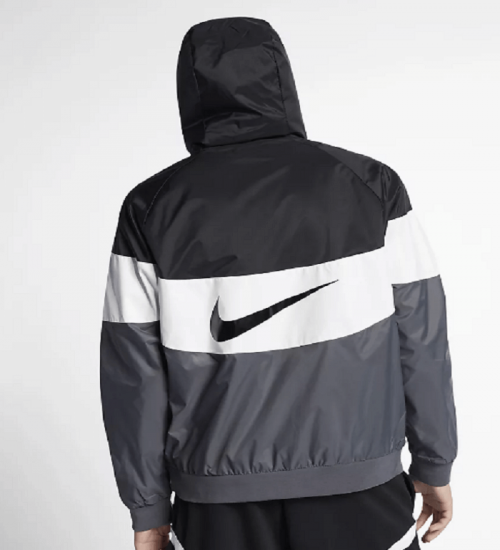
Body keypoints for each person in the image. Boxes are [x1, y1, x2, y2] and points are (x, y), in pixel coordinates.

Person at [99, 16, 458, 550]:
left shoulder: (151, 208)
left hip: (217, 504)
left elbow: (134, 375)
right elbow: (421, 337)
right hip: (362, 489)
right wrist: (434, 461)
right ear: (280, 80)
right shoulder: (369, 185)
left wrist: (147, 508)